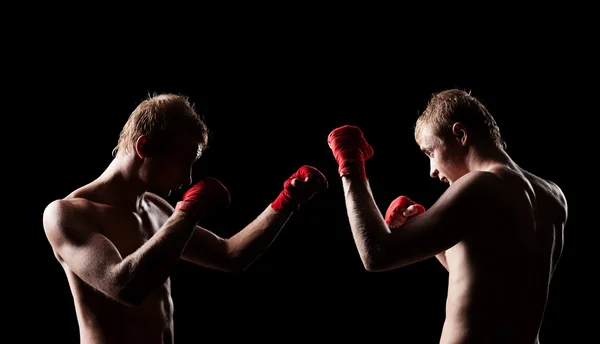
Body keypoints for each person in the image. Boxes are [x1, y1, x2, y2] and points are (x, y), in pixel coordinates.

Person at [42, 93, 328, 344]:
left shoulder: (157, 208)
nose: (188, 178)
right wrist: (188, 212)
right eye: (182, 162)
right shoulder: (68, 213)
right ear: (144, 147)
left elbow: (230, 255)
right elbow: (125, 287)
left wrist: (287, 201)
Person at [326, 89, 567, 344]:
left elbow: (376, 255)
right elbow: (483, 274)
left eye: (431, 152)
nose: (432, 170)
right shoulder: (552, 194)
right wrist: (422, 222)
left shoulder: (481, 185)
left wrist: (350, 164)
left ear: (460, 134)